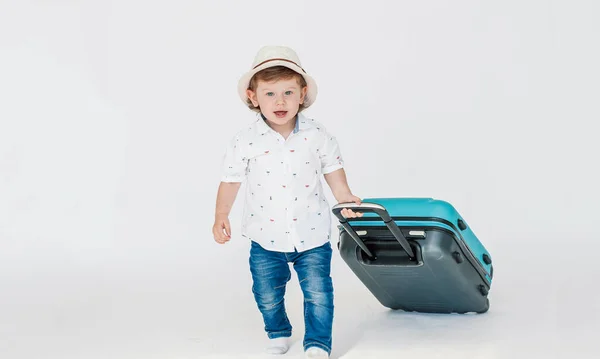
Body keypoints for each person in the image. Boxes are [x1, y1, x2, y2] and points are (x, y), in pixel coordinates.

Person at [212, 45, 362, 359]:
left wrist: (346, 198)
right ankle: (278, 330)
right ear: (253, 97)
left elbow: (333, 171)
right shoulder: (245, 141)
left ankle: (318, 342)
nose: (279, 102)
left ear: (302, 94)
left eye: (288, 92)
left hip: (312, 233)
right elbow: (230, 180)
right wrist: (221, 215)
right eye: (269, 94)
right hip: (265, 237)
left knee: (319, 293)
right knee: (267, 294)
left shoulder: (318, 135)